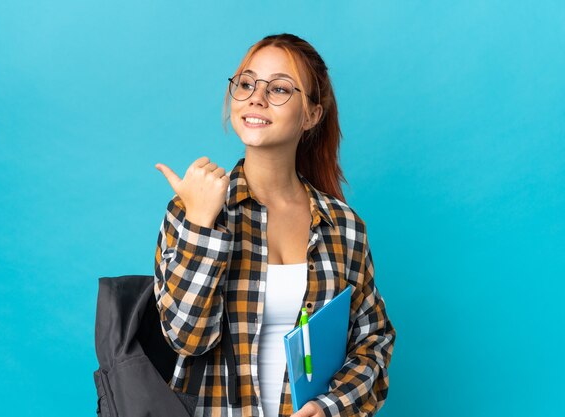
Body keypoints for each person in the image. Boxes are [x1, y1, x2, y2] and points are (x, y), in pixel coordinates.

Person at [153, 33, 395, 417]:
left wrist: (329, 406)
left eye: (280, 88)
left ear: (312, 114)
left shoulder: (344, 227)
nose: (256, 97)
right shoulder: (194, 207)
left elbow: (373, 343)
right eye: (246, 83)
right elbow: (187, 338)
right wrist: (200, 225)